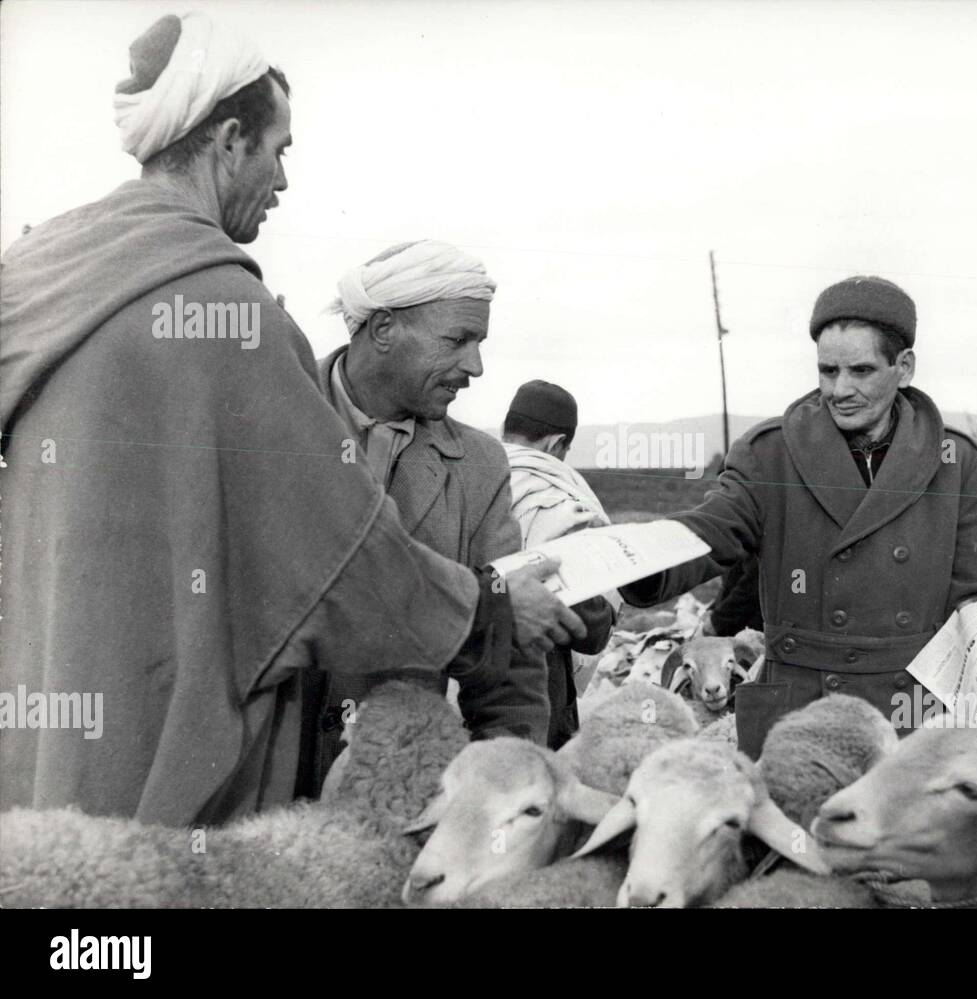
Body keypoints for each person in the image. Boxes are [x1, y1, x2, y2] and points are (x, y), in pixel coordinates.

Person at [0, 13, 580, 826]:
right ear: (231, 139)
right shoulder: (229, 317)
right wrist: (488, 606)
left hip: (45, 754)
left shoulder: (46, 289)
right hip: (178, 768)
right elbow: (339, 559)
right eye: (279, 150)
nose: (282, 181)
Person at [620, 275, 977, 757]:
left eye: (861, 370)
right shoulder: (768, 454)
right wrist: (638, 558)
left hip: (909, 713)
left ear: (905, 367)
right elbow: (714, 528)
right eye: (828, 371)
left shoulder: (956, 462)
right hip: (798, 707)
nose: (840, 389)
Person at [303, 241, 560, 792]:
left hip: (394, 792)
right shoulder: (271, 422)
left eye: (480, 343)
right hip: (257, 785)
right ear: (385, 329)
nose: (476, 365)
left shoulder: (479, 466)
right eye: (457, 340)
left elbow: (508, 658)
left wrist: (503, 792)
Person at [500, 380, 617, 749]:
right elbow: (588, 626)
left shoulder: (467, 478)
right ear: (555, 445)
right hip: (535, 692)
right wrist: (608, 610)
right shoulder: (557, 501)